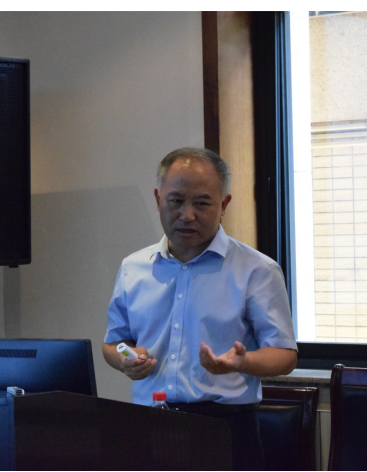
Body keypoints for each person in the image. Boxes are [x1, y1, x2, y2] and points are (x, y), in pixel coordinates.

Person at [102, 147, 297, 471]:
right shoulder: (133, 267)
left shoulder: (256, 270)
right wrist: (126, 358)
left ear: (224, 205)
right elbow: (114, 343)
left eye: (202, 203)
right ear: (158, 199)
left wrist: (243, 362)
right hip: (149, 424)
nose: (187, 215)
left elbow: (285, 355)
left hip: (225, 429)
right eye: (176, 201)